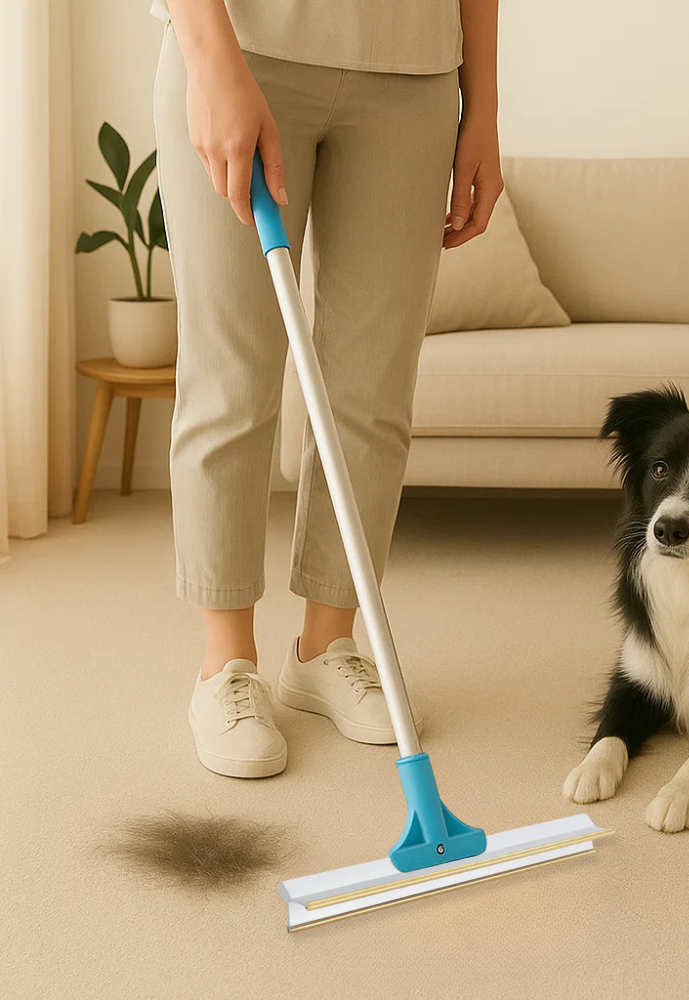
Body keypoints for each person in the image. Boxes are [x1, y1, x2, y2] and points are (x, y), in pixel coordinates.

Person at [150, 0, 502, 777]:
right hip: (248, 46)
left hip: (413, 74)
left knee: (371, 390)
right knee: (231, 378)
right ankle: (225, 667)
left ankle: (324, 647)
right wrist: (211, 58)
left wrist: (483, 107)